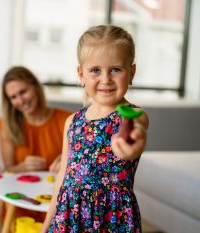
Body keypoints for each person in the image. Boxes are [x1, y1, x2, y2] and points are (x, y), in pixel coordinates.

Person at [41, 25, 149, 233]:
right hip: (69, 218)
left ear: (131, 72)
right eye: (95, 70)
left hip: (112, 220)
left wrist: (130, 144)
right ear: (81, 74)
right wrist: (47, 224)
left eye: (115, 69)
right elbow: (63, 175)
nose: (106, 79)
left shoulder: (133, 115)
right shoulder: (72, 122)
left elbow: (135, 135)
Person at [0, 66, 72, 221]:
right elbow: (7, 170)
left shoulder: (67, 120)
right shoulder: (7, 126)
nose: (20, 100)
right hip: (21, 204)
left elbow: (84, 165)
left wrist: (68, 161)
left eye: (23, 92)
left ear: (35, 87)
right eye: (13, 97)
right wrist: (22, 168)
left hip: (57, 207)